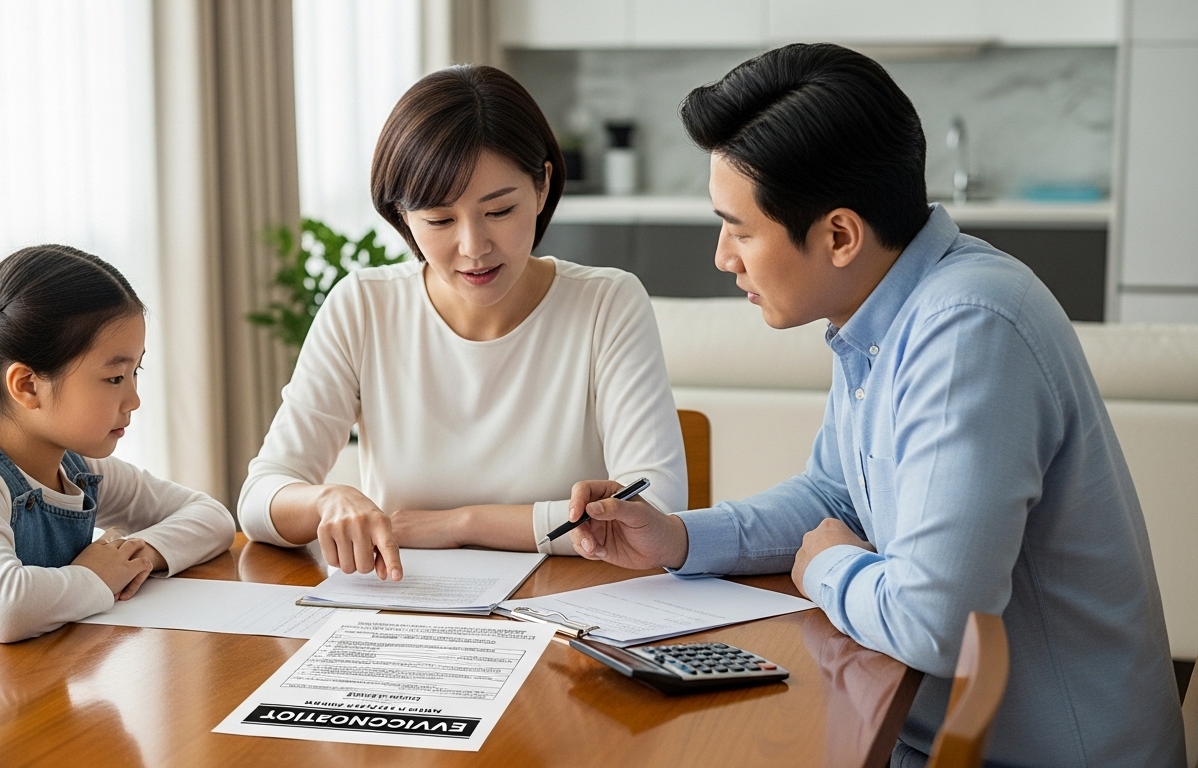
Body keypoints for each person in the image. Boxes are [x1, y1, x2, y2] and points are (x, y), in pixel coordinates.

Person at [565, 44, 1183, 766]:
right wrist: (680, 538)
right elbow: (836, 494)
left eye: (739, 228)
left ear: (838, 235)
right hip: (930, 734)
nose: (723, 257)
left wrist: (826, 567)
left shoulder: (968, 330)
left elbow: (934, 625)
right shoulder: (882, 311)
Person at [238, 65, 686, 578]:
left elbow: (653, 509)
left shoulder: (607, 304)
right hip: (409, 614)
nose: (474, 248)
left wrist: (458, 524)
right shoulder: (363, 307)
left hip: (571, 610)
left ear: (542, 187)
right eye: (440, 220)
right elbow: (259, 498)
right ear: (401, 216)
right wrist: (328, 501)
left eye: (499, 211)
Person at [0, 245, 235, 669]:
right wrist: (96, 576)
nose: (134, 399)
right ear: (27, 385)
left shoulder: (78, 470)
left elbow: (212, 518)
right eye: (115, 377)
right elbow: (1, 609)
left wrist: (135, 555)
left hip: (20, 703)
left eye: (135, 372)